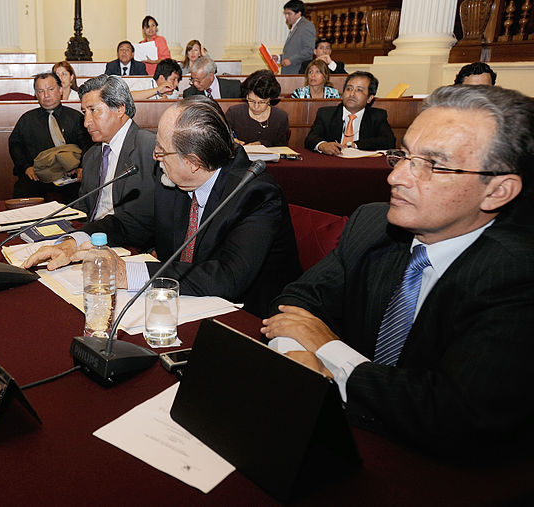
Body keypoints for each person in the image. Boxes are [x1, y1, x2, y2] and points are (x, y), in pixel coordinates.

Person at [262, 84, 534, 457]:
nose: (396, 177)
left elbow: (453, 415)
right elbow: (295, 302)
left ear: (497, 191)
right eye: (404, 156)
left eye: (432, 165)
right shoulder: (373, 223)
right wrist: (301, 360)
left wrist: (330, 353)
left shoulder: (516, 273)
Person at [22, 96, 301, 317]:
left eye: (162, 151)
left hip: (245, 319)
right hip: (180, 305)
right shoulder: (175, 177)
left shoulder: (255, 193)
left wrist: (125, 273)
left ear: (193, 162)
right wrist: (73, 241)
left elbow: (227, 277)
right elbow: (129, 222)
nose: (155, 158)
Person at [71, 74, 159, 221]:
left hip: (130, 239)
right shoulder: (91, 155)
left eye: (93, 110)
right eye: (84, 112)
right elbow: (83, 208)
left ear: (119, 108)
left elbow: (146, 218)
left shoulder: (150, 148)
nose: (86, 122)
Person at [8, 72, 91, 198]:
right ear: (36, 95)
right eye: (41, 91)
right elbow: (15, 145)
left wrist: (82, 167)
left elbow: (88, 145)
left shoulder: (76, 118)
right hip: (38, 176)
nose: (46, 95)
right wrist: (26, 167)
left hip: (71, 175)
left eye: (50, 89)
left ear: (60, 90)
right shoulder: (27, 119)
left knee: (84, 192)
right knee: (22, 193)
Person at [304, 71, 395, 154]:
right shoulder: (326, 114)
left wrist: (354, 145)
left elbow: (389, 141)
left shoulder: (377, 116)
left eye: (359, 90)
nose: (352, 94)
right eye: (349, 89)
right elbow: (311, 138)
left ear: (369, 98)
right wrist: (322, 145)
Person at [225, 69, 288, 147]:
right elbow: (222, 138)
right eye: (251, 100)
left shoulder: (281, 117)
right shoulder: (234, 113)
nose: (256, 106)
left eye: (262, 102)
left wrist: (261, 144)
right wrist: (231, 142)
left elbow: (282, 147)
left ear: (270, 99)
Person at [273, 0, 316, 75]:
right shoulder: (296, 26)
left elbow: (308, 51)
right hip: (290, 71)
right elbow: (294, 50)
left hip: (297, 71)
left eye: (289, 14)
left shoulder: (306, 26)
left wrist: (291, 60)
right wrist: (279, 58)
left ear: (298, 13)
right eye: (285, 14)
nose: (286, 17)